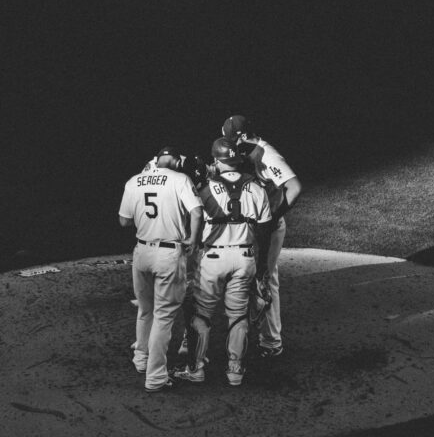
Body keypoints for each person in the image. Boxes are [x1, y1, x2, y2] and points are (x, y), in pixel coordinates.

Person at [173, 137, 273, 387]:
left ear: (216, 161)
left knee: (201, 314)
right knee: (239, 316)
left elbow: (190, 220)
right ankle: (235, 370)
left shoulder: (204, 189)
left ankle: (195, 368)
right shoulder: (258, 189)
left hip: (213, 259)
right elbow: (265, 232)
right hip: (245, 259)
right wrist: (261, 269)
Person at [118, 146, 203, 393]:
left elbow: (123, 220)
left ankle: (141, 359)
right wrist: (193, 240)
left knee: (146, 310)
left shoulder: (134, 181)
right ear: (175, 160)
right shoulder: (180, 179)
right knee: (164, 316)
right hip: (168, 253)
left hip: (142, 252)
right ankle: (155, 377)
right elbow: (196, 212)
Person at [221, 115, 302, 358]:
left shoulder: (268, 154)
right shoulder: (246, 150)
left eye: (231, 139)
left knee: (264, 278)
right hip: (254, 225)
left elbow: (295, 187)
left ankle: (271, 341)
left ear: (243, 137)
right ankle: (258, 333)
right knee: (250, 276)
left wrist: (272, 216)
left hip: (267, 227)